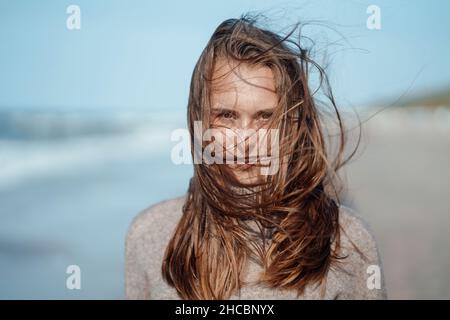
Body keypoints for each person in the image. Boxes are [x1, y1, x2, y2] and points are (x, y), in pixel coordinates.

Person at [125, 15, 387, 300]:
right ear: (200, 120)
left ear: (293, 124)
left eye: (265, 117)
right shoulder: (150, 234)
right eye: (227, 115)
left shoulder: (347, 240)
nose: (245, 141)